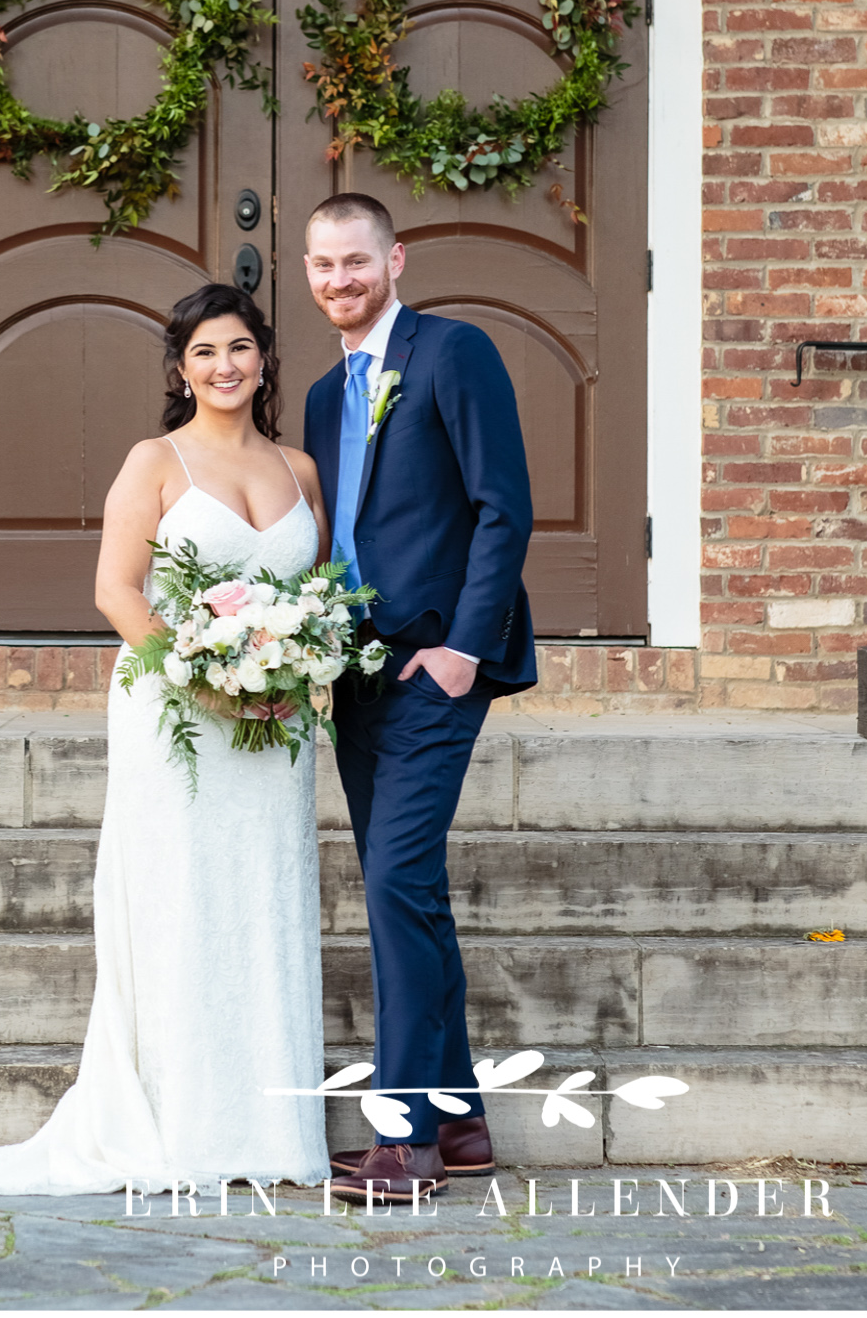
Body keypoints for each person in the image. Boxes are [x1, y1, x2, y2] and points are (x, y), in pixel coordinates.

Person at [0, 283, 331, 1196]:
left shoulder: (301, 470)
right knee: (182, 905)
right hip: (178, 715)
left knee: (264, 906)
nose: (226, 366)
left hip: (275, 727)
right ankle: (182, 1125)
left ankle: (269, 1129)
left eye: (242, 347)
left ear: (265, 359)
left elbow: (310, 597)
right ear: (181, 366)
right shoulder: (154, 461)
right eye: (206, 351)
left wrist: (292, 668)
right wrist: (206, 676)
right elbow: (117, 590)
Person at [301, 191, 536, 1204]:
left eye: (355, 261)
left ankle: (403, 1140)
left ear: (396, 260)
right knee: (411, 888)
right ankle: (460, 1116)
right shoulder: (318, 395)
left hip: (437, 665)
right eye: (321, 266)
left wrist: (460, 650)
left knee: (394, 883)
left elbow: (503, 508)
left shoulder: (451, 352)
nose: (338, 281)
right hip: (356, 675)